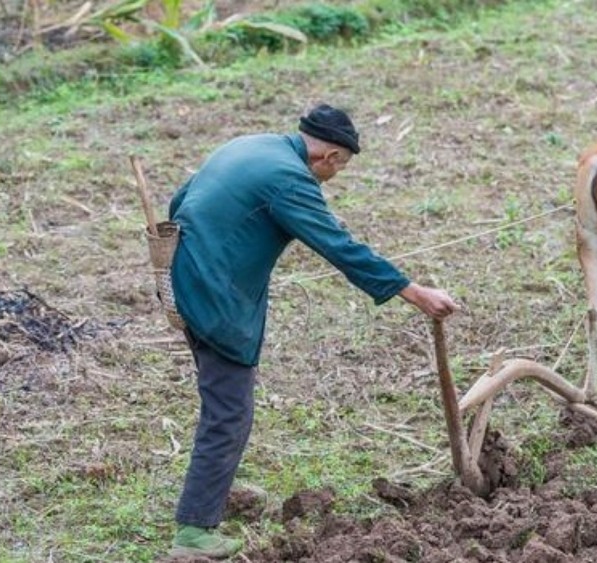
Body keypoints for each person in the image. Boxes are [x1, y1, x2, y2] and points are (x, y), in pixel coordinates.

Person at [165, 103, 459, 558]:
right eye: (340, 166)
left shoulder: (253, 145)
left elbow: (180, 201)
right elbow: (336, 245)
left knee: (223, 401)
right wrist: (412, 291)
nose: (335, 174)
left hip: (183, 278)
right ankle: (194, 532)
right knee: (229, 411)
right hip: (214, 296)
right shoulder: (290, 178)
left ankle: (213, 492)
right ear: (331, 157)